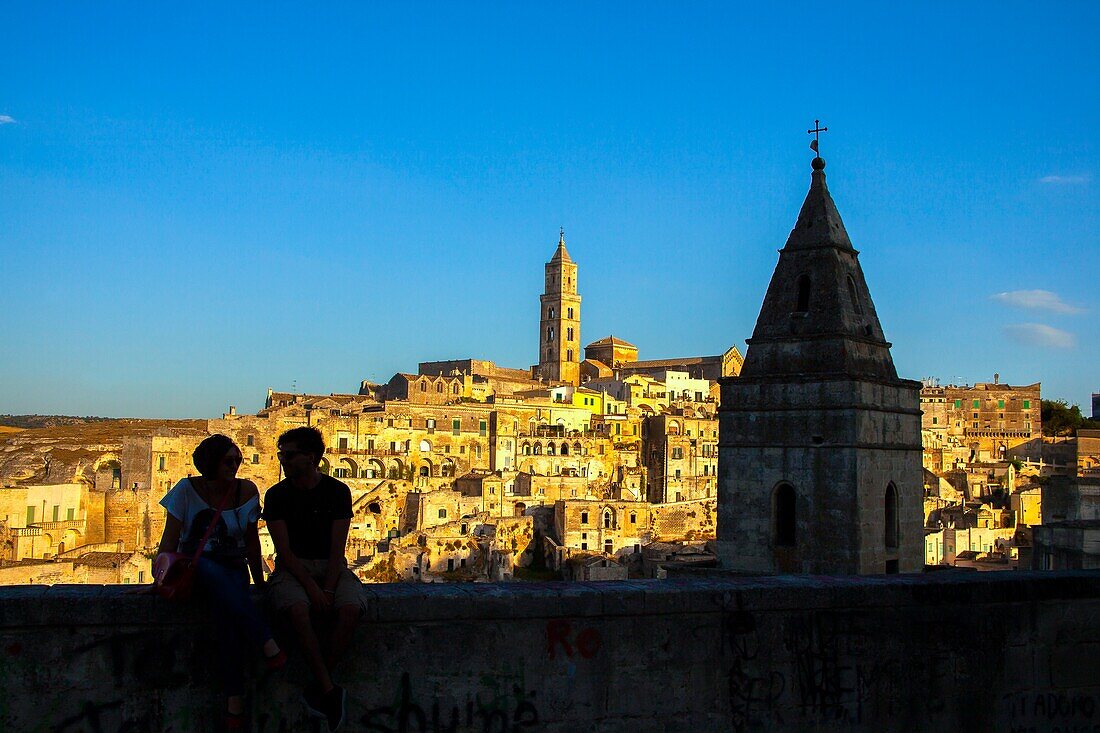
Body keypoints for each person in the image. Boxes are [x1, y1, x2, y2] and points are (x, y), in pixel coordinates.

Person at [155, 434, 285, 730]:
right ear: (211, 462)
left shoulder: (247, 491)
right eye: (229, 461)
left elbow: (252, 543)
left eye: (238, 460)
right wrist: (161, 575)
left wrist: (259, 581)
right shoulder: (185, 492)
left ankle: (233, 704)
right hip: (194, 571)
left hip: (233, 571)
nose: (235, 466)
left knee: (227, 618)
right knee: (204, 565)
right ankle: (265, 640)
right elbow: (170, 542)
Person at [264, 426, 363, 732]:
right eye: (282, 454)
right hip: (293, 569)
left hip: (331, 566)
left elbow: (338, 549)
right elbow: (284, 552)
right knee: (297, 610)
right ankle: (328, 690)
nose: (283, 460)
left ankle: (317, 687)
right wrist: (312, 588)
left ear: (311, 458)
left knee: (350, 609)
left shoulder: (337, 492)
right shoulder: (277, 496)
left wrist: (330, 589)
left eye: (289, 454)